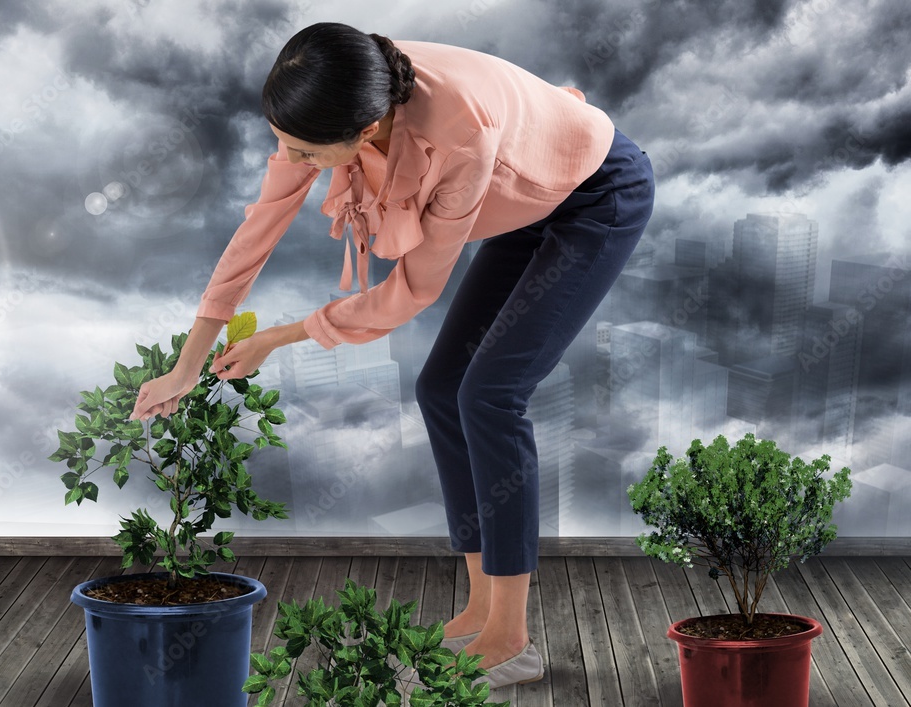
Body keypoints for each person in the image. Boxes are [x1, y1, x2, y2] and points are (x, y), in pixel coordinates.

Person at [130, 22, 654, 689]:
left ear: (367, 129)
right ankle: (477, 608)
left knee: (490, 393)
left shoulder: (457, 131)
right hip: (522, 202)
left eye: (304, 151)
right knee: (442, 389)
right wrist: (187, 364)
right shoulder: (336, 94)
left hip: (595, 195)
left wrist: (277, 338)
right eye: (282, 142)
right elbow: (254, 233)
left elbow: (411, 291)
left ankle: (511, 638)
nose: (289, 159)